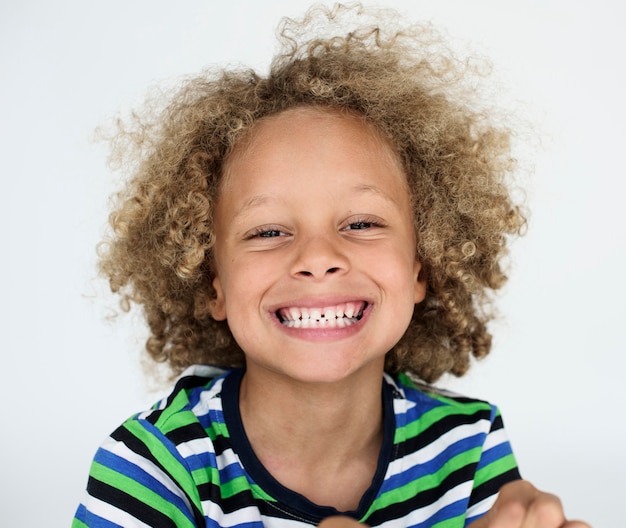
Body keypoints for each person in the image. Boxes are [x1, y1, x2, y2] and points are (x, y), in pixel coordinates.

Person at [73, 4, 589, 527]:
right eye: (268, 232)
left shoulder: (468, 447)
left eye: (362, 223)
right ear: (213, 285)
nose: (319, 258)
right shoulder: (155, 464)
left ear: (421, 265)